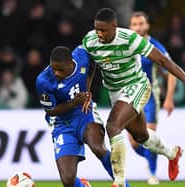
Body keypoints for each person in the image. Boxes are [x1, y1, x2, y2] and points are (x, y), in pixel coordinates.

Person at [82, 8, 185, 187]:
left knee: (113, 126)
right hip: (115, 92)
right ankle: (172, 152)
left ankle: (119, 181)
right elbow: (90, 65)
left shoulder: (130, 39)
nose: (99, 34)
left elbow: (164, 62)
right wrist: (87, 91)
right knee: (140, 136)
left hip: (137, 86)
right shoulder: (90, 40)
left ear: (115, 26)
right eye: (97, 29)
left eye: (103, 30)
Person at [35, 46, 131, 187]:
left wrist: (87, 89)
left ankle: (124, 185)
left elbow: (93, 63)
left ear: (71, 63)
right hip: (62, 124)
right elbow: (51, 110)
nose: (56, 73)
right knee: (68, 180)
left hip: (84, 113)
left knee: (98, 147)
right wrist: (73, 103)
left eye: (60, 69)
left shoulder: (82, 56)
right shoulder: (43, 81)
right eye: (53, 68)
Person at [128, 11, 177, 185]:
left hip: (150, 97)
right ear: (130, 27)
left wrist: (169, 98)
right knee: (134, 143)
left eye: (141, 23)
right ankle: (155, 156)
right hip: (131, 98)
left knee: (148, 135)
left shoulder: (155, 47)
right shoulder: (127, 45)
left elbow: (171, 72)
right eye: (134, 24)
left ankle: (153, 174)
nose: (138, 27)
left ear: (147, 26)